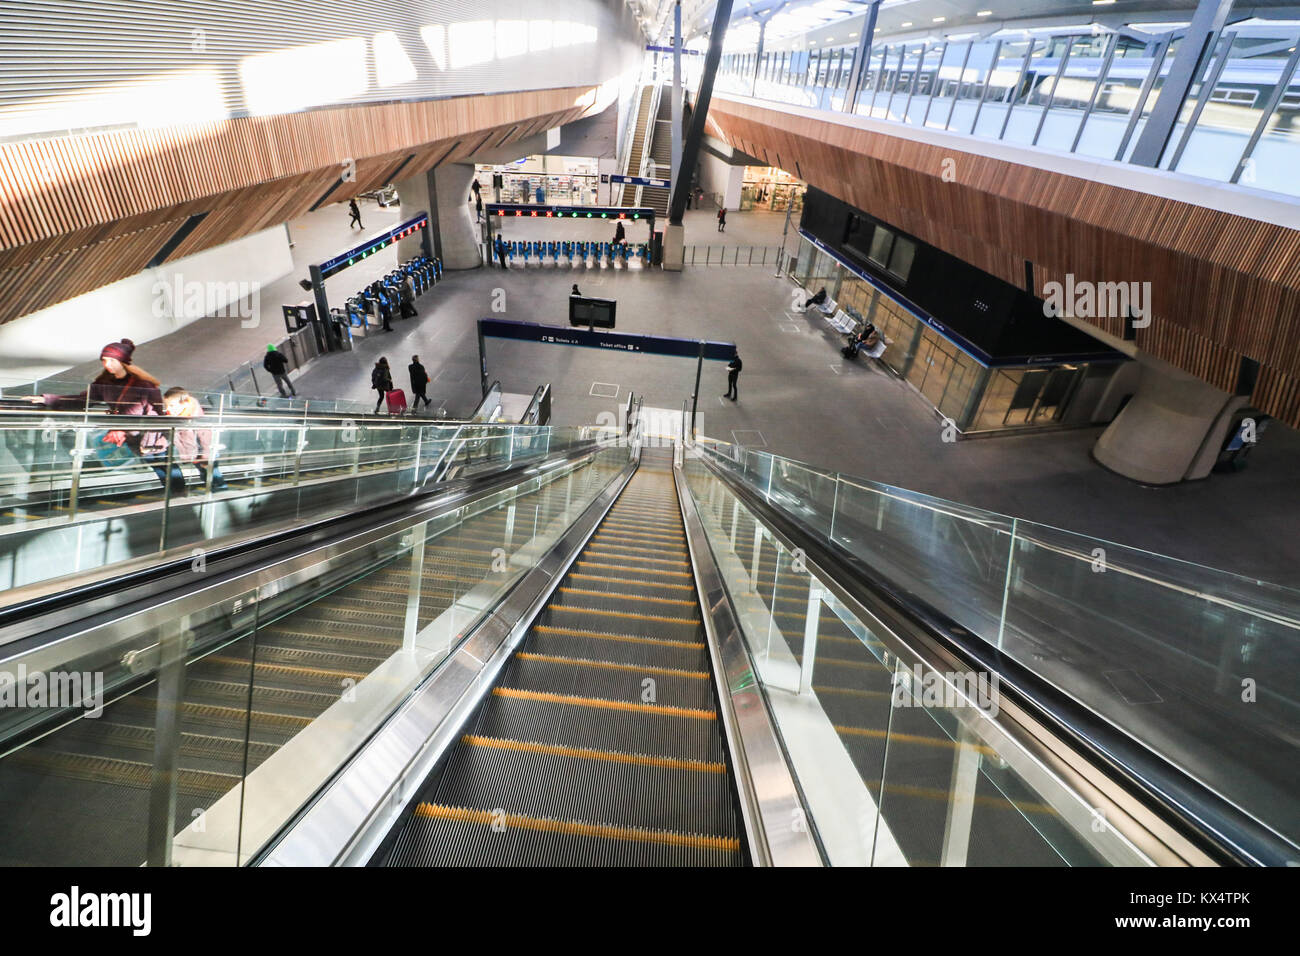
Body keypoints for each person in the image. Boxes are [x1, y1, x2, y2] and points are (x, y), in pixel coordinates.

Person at [162, 387, 229, 492]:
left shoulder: (195, 418)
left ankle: (220, 490)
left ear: (184, 403)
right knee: (205, 475)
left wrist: (205, 457)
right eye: (166, 406)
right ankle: (214, 490)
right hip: (194, 453)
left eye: (171, 405)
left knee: (212, 475)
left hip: (205, 454)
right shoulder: (177, 416)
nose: (168, 409)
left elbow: (206, 439)